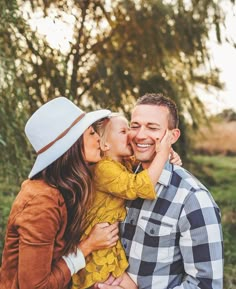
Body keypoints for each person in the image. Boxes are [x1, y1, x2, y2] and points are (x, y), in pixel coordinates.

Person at [97, 93, 224, 289]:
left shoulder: (193, 200)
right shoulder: (121, 179)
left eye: (152, 128)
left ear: (172, 136)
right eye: (135, 126)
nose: (140, 135)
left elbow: (206, 285)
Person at [0, 97, 120, 289]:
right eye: (91, 133)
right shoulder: (41, 202)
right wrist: (88, 246)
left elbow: (121, 170)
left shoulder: (69, 185)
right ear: (72, 146)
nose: (99, 138)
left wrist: (160, 159)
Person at [72, 113, 182, 289]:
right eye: (124, 131)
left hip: (108, 245)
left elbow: (145, 160)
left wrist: (168, 155)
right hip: (98, 251)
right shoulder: (103, 168)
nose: (131, 135)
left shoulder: (122, 161)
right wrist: (162, 154)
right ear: (104, 144)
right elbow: (137, 187)